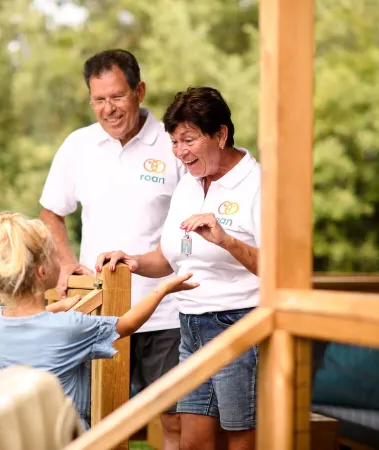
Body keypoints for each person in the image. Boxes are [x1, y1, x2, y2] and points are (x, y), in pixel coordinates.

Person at [97, 87, 261, 449]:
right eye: (174, 142)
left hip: (239, 325)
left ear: (221, 134)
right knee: (192, 443)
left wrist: (226, 240)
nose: (180, 152)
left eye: (188, 140)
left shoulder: (256, 183)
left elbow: (276, 268)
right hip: (189, 326)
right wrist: (133, 261)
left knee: (241, 441)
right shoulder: (188, 184)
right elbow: (168, 259)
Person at [39, 49, 186, 446]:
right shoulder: (77, 146)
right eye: (99, 99)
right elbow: (51, 212)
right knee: (95, 420)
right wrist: (67, 264)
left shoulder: (172, 144)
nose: (109, 109)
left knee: (174, 422)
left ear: (139, 91)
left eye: (118, 96)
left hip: (164, 312)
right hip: (98, 313)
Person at [0, 212, 198, 430]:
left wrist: (57, 307)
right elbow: (127, 324)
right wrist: (163, 288)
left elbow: (32, 323)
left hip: (28, 434)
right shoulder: (69, 327)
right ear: (42, 271)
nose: (60, 260)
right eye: (55, 256)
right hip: (70, 436)